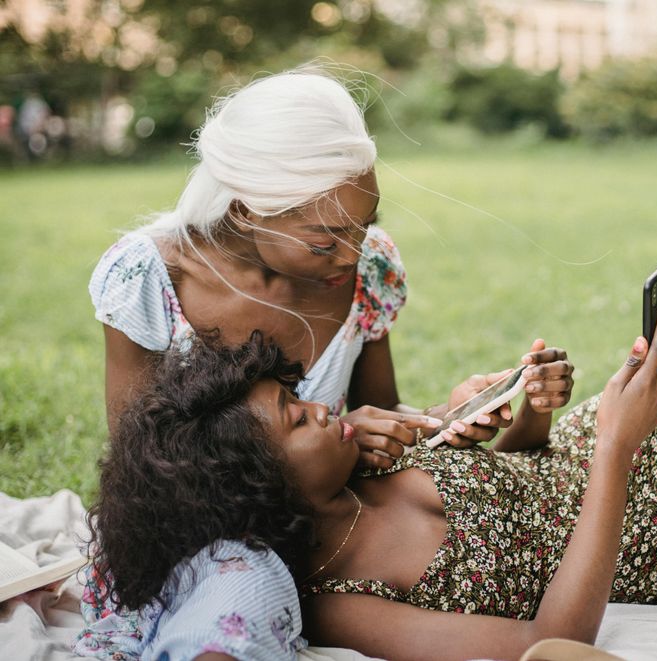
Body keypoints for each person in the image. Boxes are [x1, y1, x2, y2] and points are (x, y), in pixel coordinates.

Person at [79, 314, 657, 660]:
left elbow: (518, 480)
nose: (321, 409)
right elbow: (552, 641)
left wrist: (529, 414)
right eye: (291, 417)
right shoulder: (342, 603)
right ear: (252, 488)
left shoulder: (370, 459)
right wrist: (614, 457)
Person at [82, 64, 575, 653]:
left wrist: (444, 416)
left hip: (322, 505)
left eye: (366, 225)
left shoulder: (366, 268)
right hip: (210, 524)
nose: (354, 252)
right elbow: (148, 469)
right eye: (325, 239)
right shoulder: (153, 277)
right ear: (245, 211)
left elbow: (379, 408)